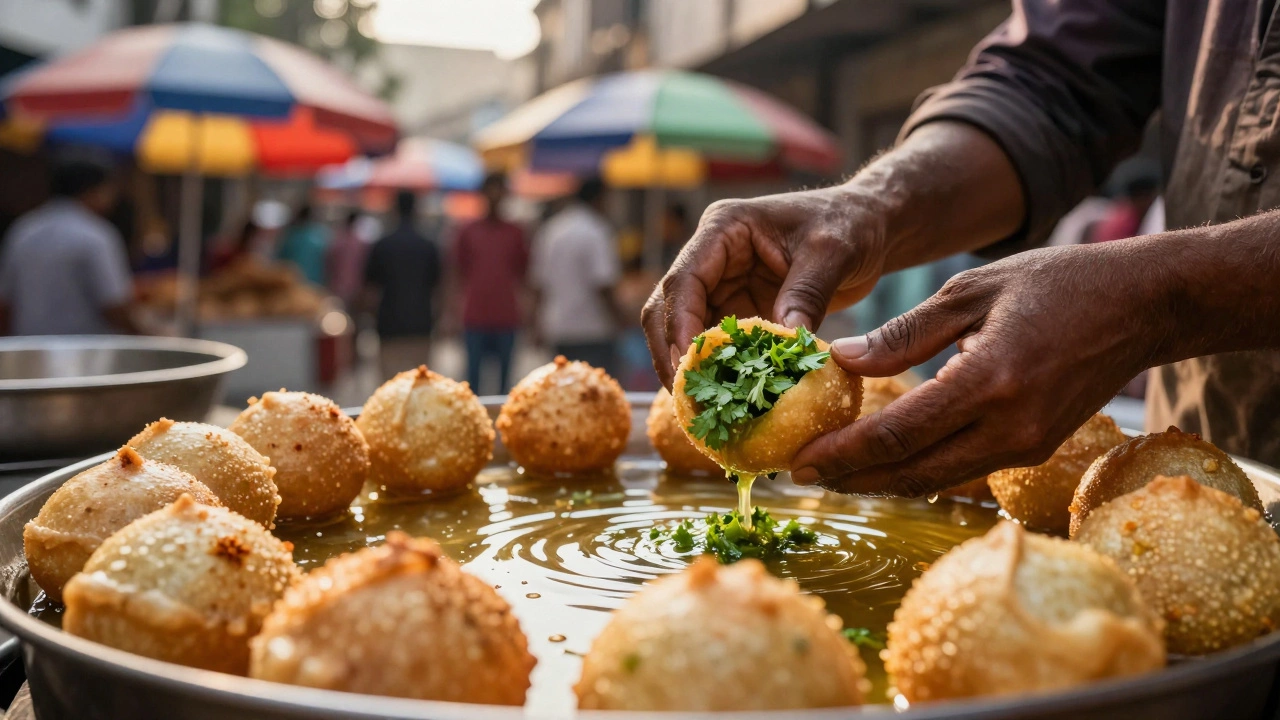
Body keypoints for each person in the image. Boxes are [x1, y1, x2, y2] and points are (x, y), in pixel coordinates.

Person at [643, 0, 1280, 499]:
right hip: (1185, 468)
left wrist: (1160, 297)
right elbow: (1050, 82)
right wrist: (866, 205)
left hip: (1160, 494)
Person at [0, 153, 139, 335]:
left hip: (31, 350)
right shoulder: (95, 235)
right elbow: (113, 305)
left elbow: (5, 303)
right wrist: (145, 337)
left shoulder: (23, 230)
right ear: (93, 190)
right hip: (85, 353)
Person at [532, 178, 622, 373]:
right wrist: (620, 320)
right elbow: (603, 283)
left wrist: (535, 323)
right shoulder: (596, 231)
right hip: (592, 329)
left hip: (558, 327)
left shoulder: (552, 229)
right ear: (599, 198)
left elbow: (539, 283)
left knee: (563, 391)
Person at [453, 173, 528, 395]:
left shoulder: (516, 232)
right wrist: (451, 313)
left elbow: (524, 276)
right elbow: (456, 274)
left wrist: (531, 314)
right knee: (472, 383)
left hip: (507, 317)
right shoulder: (467, 231)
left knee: (505, 388)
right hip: (475, 317)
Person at [364, 191, 442, 381]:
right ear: (416, 210)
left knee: (390, 388)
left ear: (394, 210)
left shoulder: (383, 244)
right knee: (421, 388)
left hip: (389, 324)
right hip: (421, 323)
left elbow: (370, 290)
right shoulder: (427, 245)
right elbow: (438, 288)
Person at [276, 203, 330, 286]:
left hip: (293, 279)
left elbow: (281, 257)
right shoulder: (320, 236)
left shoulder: (291, 235)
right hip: (311, 281)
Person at [326, 209, 369, 309]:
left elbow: (329, 262)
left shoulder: (338, 241)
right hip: (354, 285)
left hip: (338, 284)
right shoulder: (360, 243)